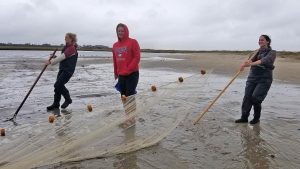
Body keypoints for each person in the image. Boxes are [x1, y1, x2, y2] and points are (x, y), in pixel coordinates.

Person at [235, 35, 276, 124]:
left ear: (267, 41)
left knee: (256, 98)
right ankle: (244, 117)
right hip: (252, 77)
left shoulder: (272, 52)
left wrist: (251, 64)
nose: (260, 41)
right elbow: (249, 61)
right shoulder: (255, 52)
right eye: (259, 40)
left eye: (262, 40)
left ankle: (256, 118)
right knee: (247, 97)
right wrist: (244, 64)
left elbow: (264, 60)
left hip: (264, 79)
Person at [112, 23, 140, 128]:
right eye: (119, 31)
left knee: (130, 96)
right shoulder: (115, 45)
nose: (120, 33)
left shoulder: (133, 42)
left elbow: (137, 57)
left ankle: (132, 119)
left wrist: (129, 69)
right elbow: (115, 60)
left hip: (132, 74)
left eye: (122, 31)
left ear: (126, 31)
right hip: (121, 75)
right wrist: (115, 72)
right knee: (123, 97)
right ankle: (128, 117)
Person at [46, 33, 78, 110]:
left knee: (58, 85)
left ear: (71, 39)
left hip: (68, 71)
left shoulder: (71, 48)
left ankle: (68, 99)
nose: (65, 38)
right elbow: (63, 58)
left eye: (66, 37)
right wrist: (55, 57)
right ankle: (56, 104)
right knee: (57, 87)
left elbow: (62, 57)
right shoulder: (66, 48)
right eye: (65, 37)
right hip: (62, 69)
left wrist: (51, 62)